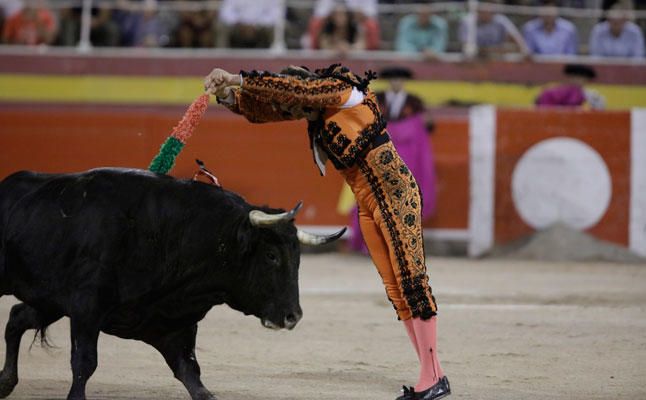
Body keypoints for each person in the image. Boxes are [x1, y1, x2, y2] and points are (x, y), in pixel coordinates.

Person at [204, 64, 450, 400]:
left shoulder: (343, 91)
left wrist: (238, 78)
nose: (295, 111)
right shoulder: (318, 111)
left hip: (395, 194)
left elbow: (293, 93)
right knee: (396, 288)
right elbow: (267, 110)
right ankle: (430, 374)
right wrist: (227, 94)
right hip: (367, 202)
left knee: (411, 281)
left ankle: (433, 378)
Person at [348, 66, 437, 254]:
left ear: (404, 82)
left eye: (400, 79)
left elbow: (427, 129)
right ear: (390, 81)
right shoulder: (376, 99)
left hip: (407, 159)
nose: (397, 82)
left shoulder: (415, 103)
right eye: (394, 79)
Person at [459, 6, 529, 59]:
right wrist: (492, 50)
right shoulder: (468, 21)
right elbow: (468, 48)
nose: (486, 10)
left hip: (499, 60)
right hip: (475, 60)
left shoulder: (501, 20)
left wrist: (489, 51)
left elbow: (520, 45)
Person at [536, 64, 606, 109]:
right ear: (571, 77)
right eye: (579, 77)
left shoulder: (583, 93)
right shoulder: (551, 92)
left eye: (584, 79)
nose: (581, 81)